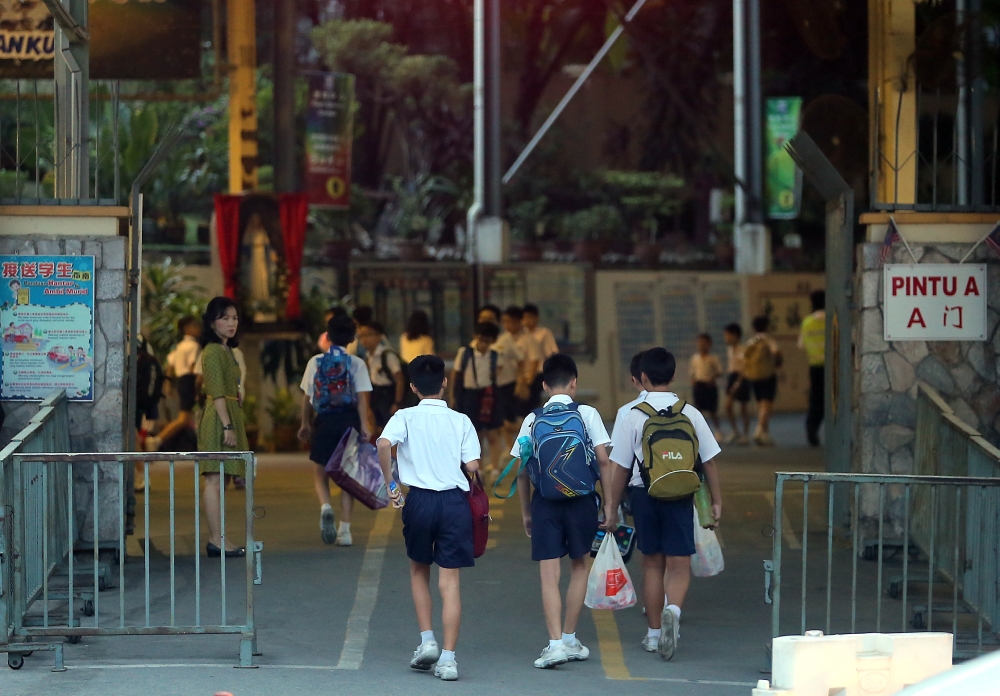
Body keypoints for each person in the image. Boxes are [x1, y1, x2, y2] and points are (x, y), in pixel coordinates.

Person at [608, 348, 722, 661]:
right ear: (674, 376)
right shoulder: (691, 413)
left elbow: (619, 467)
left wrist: (610, 507)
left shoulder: (632, 413)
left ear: (642, 378)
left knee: (653, 564)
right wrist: (716, 501)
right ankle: (674, 610)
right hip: (681, 495)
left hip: (644, 494)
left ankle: (653, 633)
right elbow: (709, 462)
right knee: (679, 564)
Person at [376, 355, 481, 682]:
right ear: (445, 383)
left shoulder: (404, 416)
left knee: (418, 570)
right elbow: (473, 466)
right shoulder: (461, 420)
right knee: (449, 582)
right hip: (453, 503)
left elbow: (382, 443)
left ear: (411, 387)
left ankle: (427, 641)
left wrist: (392, 483)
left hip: (418, 501)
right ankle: (448, 660)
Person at [511, 354, 614, 669]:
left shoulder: (532, 418)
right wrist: (610, 503)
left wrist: (527, 512)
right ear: (574, 383)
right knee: (579, 566)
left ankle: (554, 643)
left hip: (545, 503)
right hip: (582, 501)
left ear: (543, 385)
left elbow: (522, 471)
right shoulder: (587, 413)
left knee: (548, 574)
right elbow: (605, 461)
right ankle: (570, 637)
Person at [299, 315, 373, 547]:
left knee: (321, 473)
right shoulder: (357, 363)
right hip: (349, 420)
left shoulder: (315, 362)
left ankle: (325, 506)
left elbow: (307, 397)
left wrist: (305, 423)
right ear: (352, 338)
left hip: (325, 421)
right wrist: (365, 425)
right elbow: (361, 398)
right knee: (346, 475)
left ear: (327, 336)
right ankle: (346, 530)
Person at [197, 297, 248, 558]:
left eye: (234, 318)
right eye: (224, 318)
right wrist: (227, 425)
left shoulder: (227, 350)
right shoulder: (214, 350)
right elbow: (216, 391)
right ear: (212, 322)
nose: (231, 323)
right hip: (219, 418)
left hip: (228, 414)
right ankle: (215, 539)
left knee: (223, 480)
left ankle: (220, 537)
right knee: (215, 480)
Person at [451, 322, 502, 473]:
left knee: (492, 432)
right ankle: (477, 467)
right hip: (470, 395)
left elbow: (498, 372)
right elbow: (456, 373)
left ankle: (495, 468)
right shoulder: (465, 352)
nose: (484, 344)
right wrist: (453, 395)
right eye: (481, 340)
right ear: (475, 337)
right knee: (475, 433)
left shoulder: (494, 355)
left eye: (488, 341)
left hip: (488, 395)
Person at [159, 317, 201, 449]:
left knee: (187, 419)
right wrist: (197, 388)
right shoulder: (194, 346)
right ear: (187, 329)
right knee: (184, 418)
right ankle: (157, 440)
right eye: (194, 326)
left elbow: (170, 366)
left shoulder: (179, 346)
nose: (198, 328)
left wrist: (168, 384)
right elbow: (194, 368)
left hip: (181, 381)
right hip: (189, 380)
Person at [359, 321, 405, 434]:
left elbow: (399, 379)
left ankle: (392, 451)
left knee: (390, 428)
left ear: (379, 337)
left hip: (387, 395)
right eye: (361, 336)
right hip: (376, 394)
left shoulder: (387, 355)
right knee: (377, 427)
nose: (365, 339)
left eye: (369, 335)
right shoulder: (368, 356)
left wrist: (397, 402)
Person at [744, 316, 783, 447]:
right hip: (767, 375)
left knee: (760, 403)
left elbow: (743, 358)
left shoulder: (750, 342)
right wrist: (777, 364)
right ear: (766, 326)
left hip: (754, 376)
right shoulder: (768, 340)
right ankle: (759, 430)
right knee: (767, 404)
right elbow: (776, 352)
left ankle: (765, 434)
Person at [502, 306, 542, 418]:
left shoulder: (528, 339)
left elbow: (535, 361)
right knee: (508, 415)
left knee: (524, 413)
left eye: (510, 321)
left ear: (519, 321)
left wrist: (527, 382)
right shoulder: (504, 339)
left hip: (525, 381)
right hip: (508, 381)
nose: (507, 325)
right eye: (505, 321)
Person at [800, 290, 826, 447]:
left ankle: (812, 430)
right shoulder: (834, 319)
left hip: (815, 367)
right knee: (836, 401)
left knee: (816, 400)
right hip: (832, 369)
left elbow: (801, 345)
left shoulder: (807, 322)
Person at [523, 304, 559, 408]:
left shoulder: (544, 333)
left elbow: (552, 353)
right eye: (525, 317)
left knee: (534, 400)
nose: (527, 320)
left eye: (530, 317)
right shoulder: (522, 334)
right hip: (524, 373)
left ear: (536, 317)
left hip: (539, 372)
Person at [722, 324, 751, 445]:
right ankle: (735, 431)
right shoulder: (729, 349)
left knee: (743, 408)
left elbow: (745, 367)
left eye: (727, 335)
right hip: (732, 376)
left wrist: (738, 383)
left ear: (734, 335)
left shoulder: (744, 349)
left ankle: (745, 434)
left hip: (742, 378)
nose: (725, 337)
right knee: (728, 406)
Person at [689, 333, 723, 436]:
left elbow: (719, 371)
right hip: (699, 386)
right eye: (700, 343)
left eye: (704, 343)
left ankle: (718, 431)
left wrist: (713, 379)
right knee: (698, 410)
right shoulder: (695, 358)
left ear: (710, 344)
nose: (702, 345)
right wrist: (693, 381)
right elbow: (692, 372)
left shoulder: (713, 358)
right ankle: (699, 433)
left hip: (709, 386)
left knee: (713, 410)